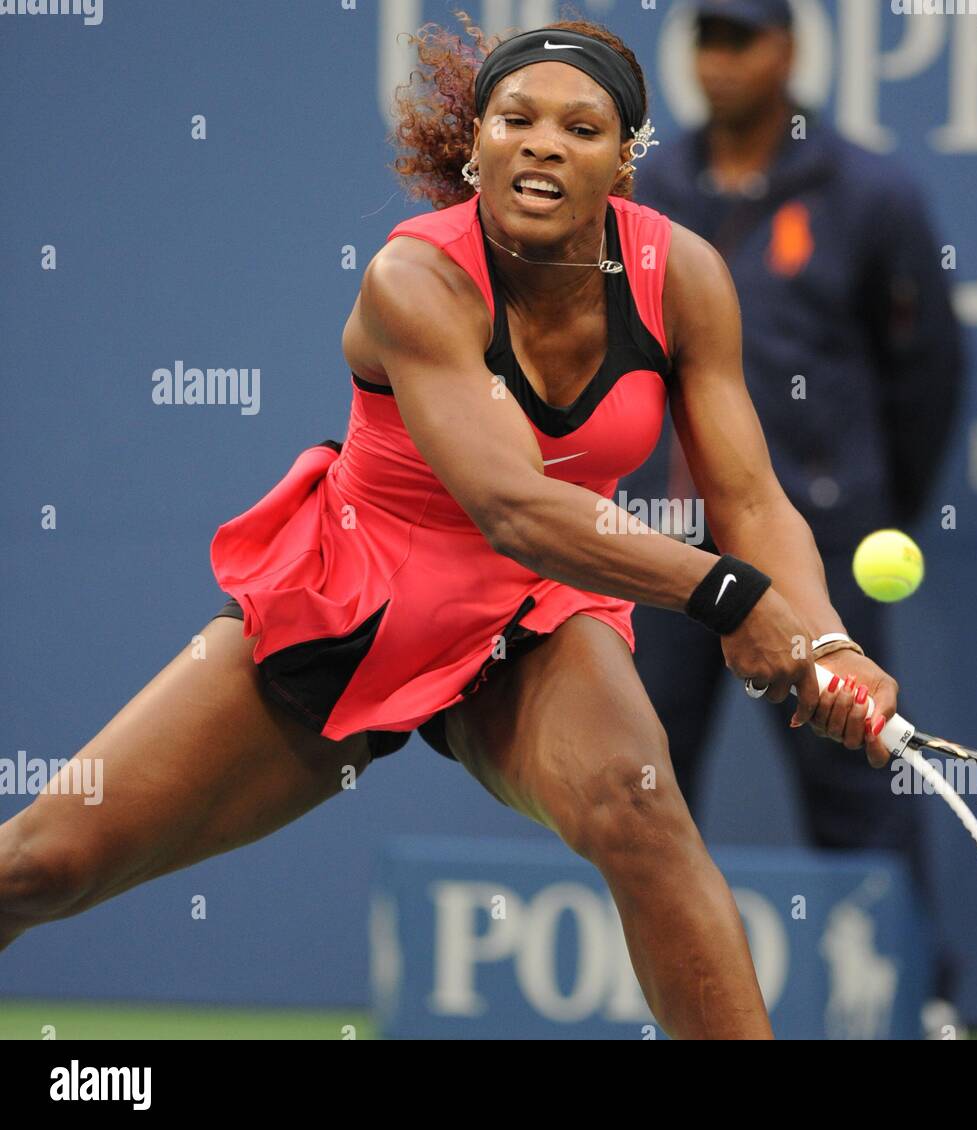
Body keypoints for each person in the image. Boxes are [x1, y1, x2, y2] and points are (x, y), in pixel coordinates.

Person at [0, 16, 903, 1040]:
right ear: (474, 145)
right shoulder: (414, 279)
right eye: (516, 118)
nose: (544, 142)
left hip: (538, 618)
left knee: (638, 808)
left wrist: (823, 637)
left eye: (581, 126)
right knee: (39, 865)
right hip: (359, 603)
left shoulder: (681, 276)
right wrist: (734, 595)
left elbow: (751, 498)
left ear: (624, 161)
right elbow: (512, 508)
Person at [623, 0, 966, 1021]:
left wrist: (856, 507)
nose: (718, 61)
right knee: (637, 782)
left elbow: (926, 370)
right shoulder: (648, 184)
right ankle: (652, 1001)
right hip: (663, 551)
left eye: (740, 38)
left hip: (813, 548)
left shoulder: (870, 191)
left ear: (788, 49)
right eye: (703, 39)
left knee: (860, 779)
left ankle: (914, 998)